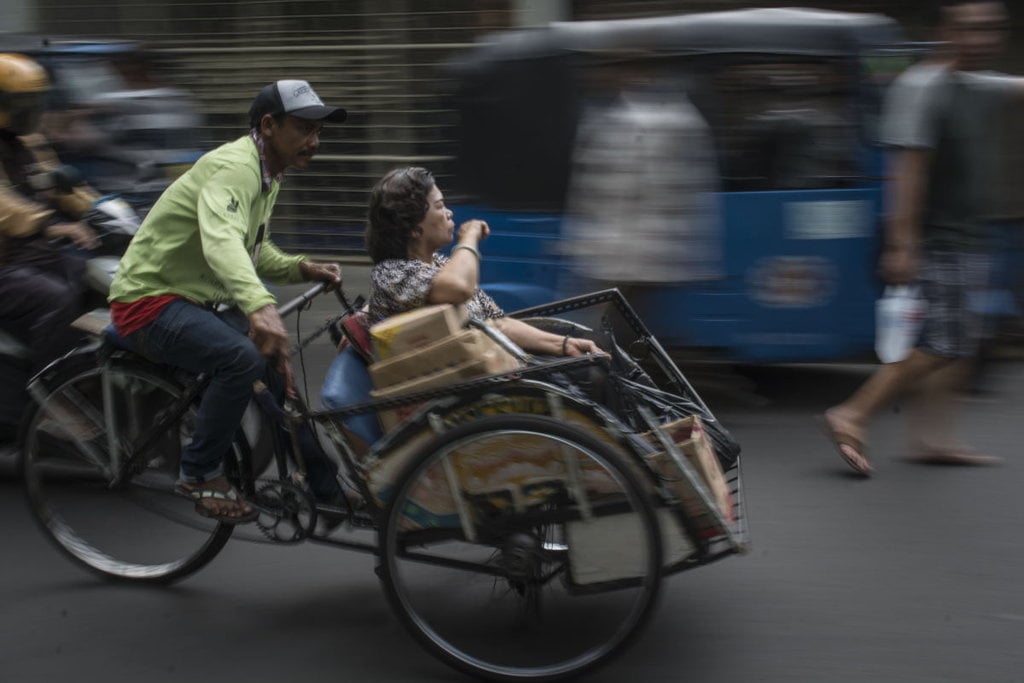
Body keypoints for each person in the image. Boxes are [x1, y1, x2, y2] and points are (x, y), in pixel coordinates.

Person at [108, 79, 347, 522]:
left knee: (276, 365)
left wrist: (300, 267)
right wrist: (260, 306)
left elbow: (253, 248)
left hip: (196, 300)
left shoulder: (266, 173)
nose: (314, 141)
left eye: (319, 131)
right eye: (304, 128)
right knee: (241, 359)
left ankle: (324, 487)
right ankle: (198, 472)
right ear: (269, 125)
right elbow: (222, 243)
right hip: (149, 301)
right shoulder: (235, 167)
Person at [821, 0, 1024, 475]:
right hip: (940, 239)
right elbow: (905, 171)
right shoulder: (921, 88)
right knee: (943, 343)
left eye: (992, 29)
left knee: (960, 342)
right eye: (971, 29)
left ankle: (934, 437)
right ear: (945, 30)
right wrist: (902, 243)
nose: (983, 39)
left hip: (971, 235)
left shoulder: (974, 83)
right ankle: (852, 412)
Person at [561, 57, 722, 324]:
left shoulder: (630, 121)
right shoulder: (680, 116)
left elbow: (613, 191)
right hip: (644, 255)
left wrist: (583, 243)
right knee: (630, 327)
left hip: (625, 253)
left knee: (610, 329)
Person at [0, 53, 103, 443]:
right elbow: (4, 206)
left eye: (34, 104)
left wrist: (101, 210)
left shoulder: (28, 141)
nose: (30, 113)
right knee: (57, 300)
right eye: (21, 105)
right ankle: (54, 401)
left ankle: (94, 383)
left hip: (35, 256)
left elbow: (62, 184)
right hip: (6, 265)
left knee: (97, 284)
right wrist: (50, 223)